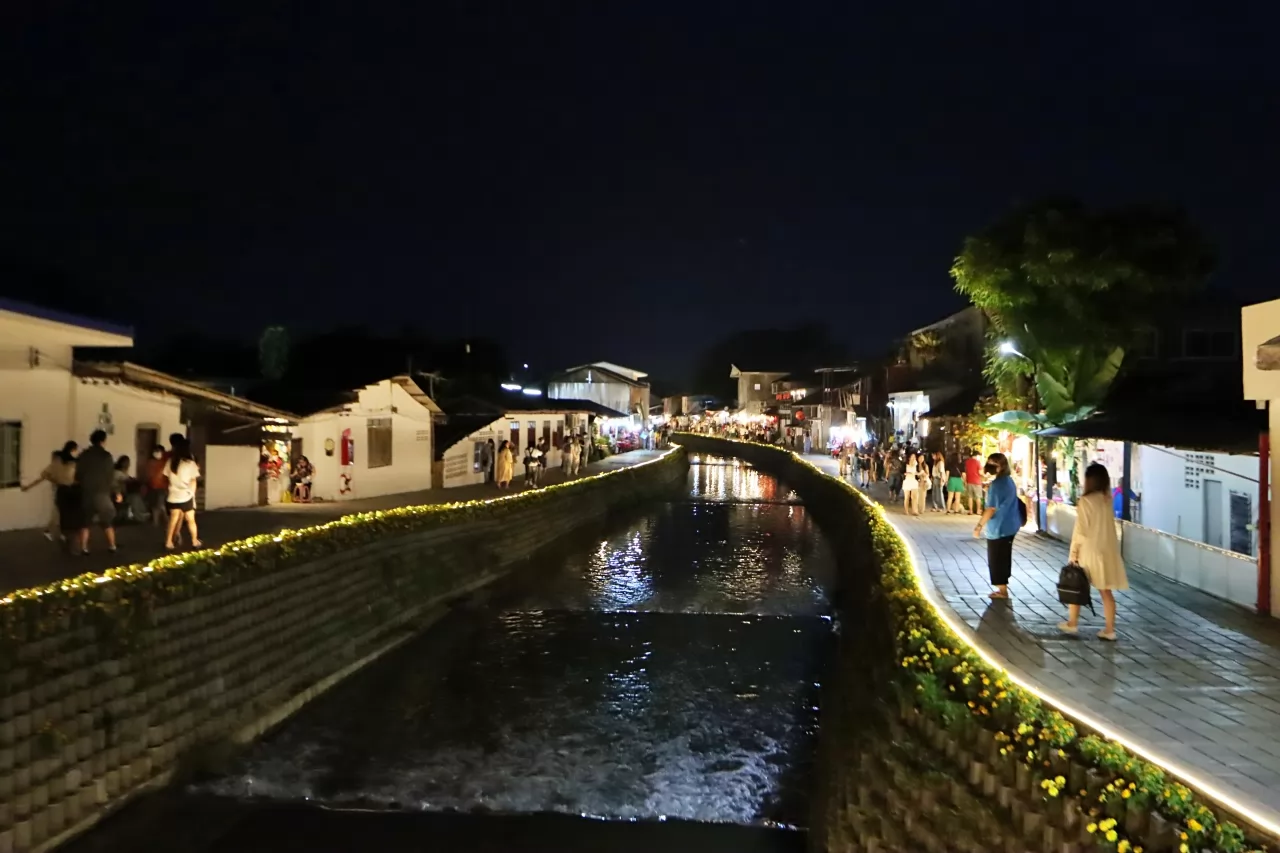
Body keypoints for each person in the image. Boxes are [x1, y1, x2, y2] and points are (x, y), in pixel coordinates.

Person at [1061, 463, 1128, 640]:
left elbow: (1081, 530)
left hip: (1088, 550)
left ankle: (1072, 623)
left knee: (1077, 584)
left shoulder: (1086, 500)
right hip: (1106, 550)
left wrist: (1074, 553)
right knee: (1105, 591)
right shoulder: (1107, 500)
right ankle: (1110, 630)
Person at [973, 452, 1021, 599]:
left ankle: (1002, 590)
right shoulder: (1009, 481)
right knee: (1004, 557)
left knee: (996, 559)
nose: (989, 466)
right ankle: (1002, 588)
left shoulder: (997, 485)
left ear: (1001, 466)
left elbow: (991, 508)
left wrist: (979, 526)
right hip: (1010, 525)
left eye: (993, 463)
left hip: (999, 528)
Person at [75, 430, 118, 555]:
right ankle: (112, 545)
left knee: (85, 522)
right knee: (107, 521)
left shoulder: (83, 455)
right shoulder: (106, 456)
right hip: (102, 492)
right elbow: (111, 476)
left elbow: (78, 475)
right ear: (103, 441)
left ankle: (84, 547)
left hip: (87, 492)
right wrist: (116, 491)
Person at [22, 448, 78, 541]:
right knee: (59, 512)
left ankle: (58, 532)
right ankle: (53, 531)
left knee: (60, 512)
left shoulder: (56, 466)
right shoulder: (64, 465)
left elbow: (42, 478)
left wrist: (28, 486)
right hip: (63, 491)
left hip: (61, 491)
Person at [163, 443, 202, 550]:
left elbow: (166, 476)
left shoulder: (170, 462)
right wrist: (192, 494)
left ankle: (168, 542)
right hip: (185, 495)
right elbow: (193, 480)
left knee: (173, 520)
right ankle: (194, 541)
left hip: (173, 495)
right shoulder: (190, 463)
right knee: (191, 520)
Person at [144, 445, 169, 526]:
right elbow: (148, 474)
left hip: (162, 487)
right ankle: (159, 522)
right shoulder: (150, 462)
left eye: (159, 451)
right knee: (156, 505)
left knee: (159, 505)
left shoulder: (165, 462)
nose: (158, 453)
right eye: (156, 451)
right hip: (152, 486)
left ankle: (159, 522)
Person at [964, 449, 984, 515]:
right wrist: (984, 475)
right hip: (977, 482)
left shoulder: (967, 462)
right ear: (977, 455)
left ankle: (970, 511)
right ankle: (978, 511)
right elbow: (980, 472)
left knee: (970, 497)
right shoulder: (977, 462)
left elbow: (966, 471)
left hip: (969, 481)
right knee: (978, 497)